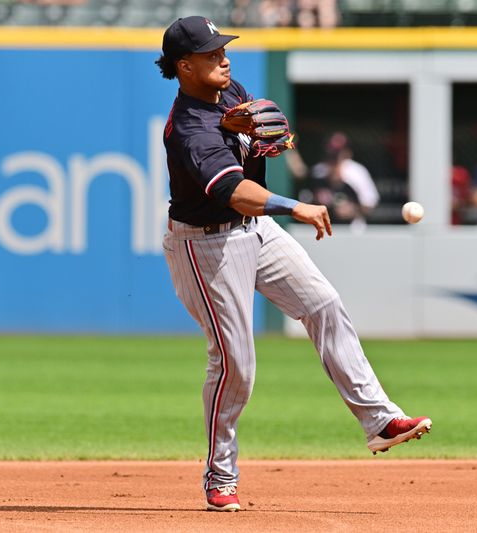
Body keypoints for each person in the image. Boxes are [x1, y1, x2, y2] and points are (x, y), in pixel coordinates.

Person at [155, 16, 431, 513]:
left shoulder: (227, 91)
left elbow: (253, 136)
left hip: (254, 233)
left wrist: (247, 133)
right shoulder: (188, 131)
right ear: (184, 66)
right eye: (213, 52)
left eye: (224, 48)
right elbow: (235, 193)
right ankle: (220, 475)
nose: (225, 58)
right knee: (235, 363)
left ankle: (380, 420)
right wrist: (294, 206)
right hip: (206, 247)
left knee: (323, 303)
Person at [308, 132, 380, 225]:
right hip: (319, 228)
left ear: (348, 153)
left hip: (351, 230)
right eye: (331, 153)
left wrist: (353, 210)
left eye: (337, 153)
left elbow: (370, 205)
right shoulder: (317, 172)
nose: (333, 157)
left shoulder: (357, 172)